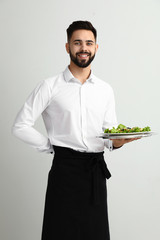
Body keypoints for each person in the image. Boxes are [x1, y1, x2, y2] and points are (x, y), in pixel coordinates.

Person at [12, 20, 138, 240]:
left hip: (94, 174)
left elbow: (109, 136)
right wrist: (51, 147)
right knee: (60, 233)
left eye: (89, 43)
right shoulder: (50, 86)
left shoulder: (105, 90)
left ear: (96, 47)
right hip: (64, 172)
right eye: (77, 42)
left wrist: (118, 141)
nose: (83, 48)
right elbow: (20, 125)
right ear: (67, 47)